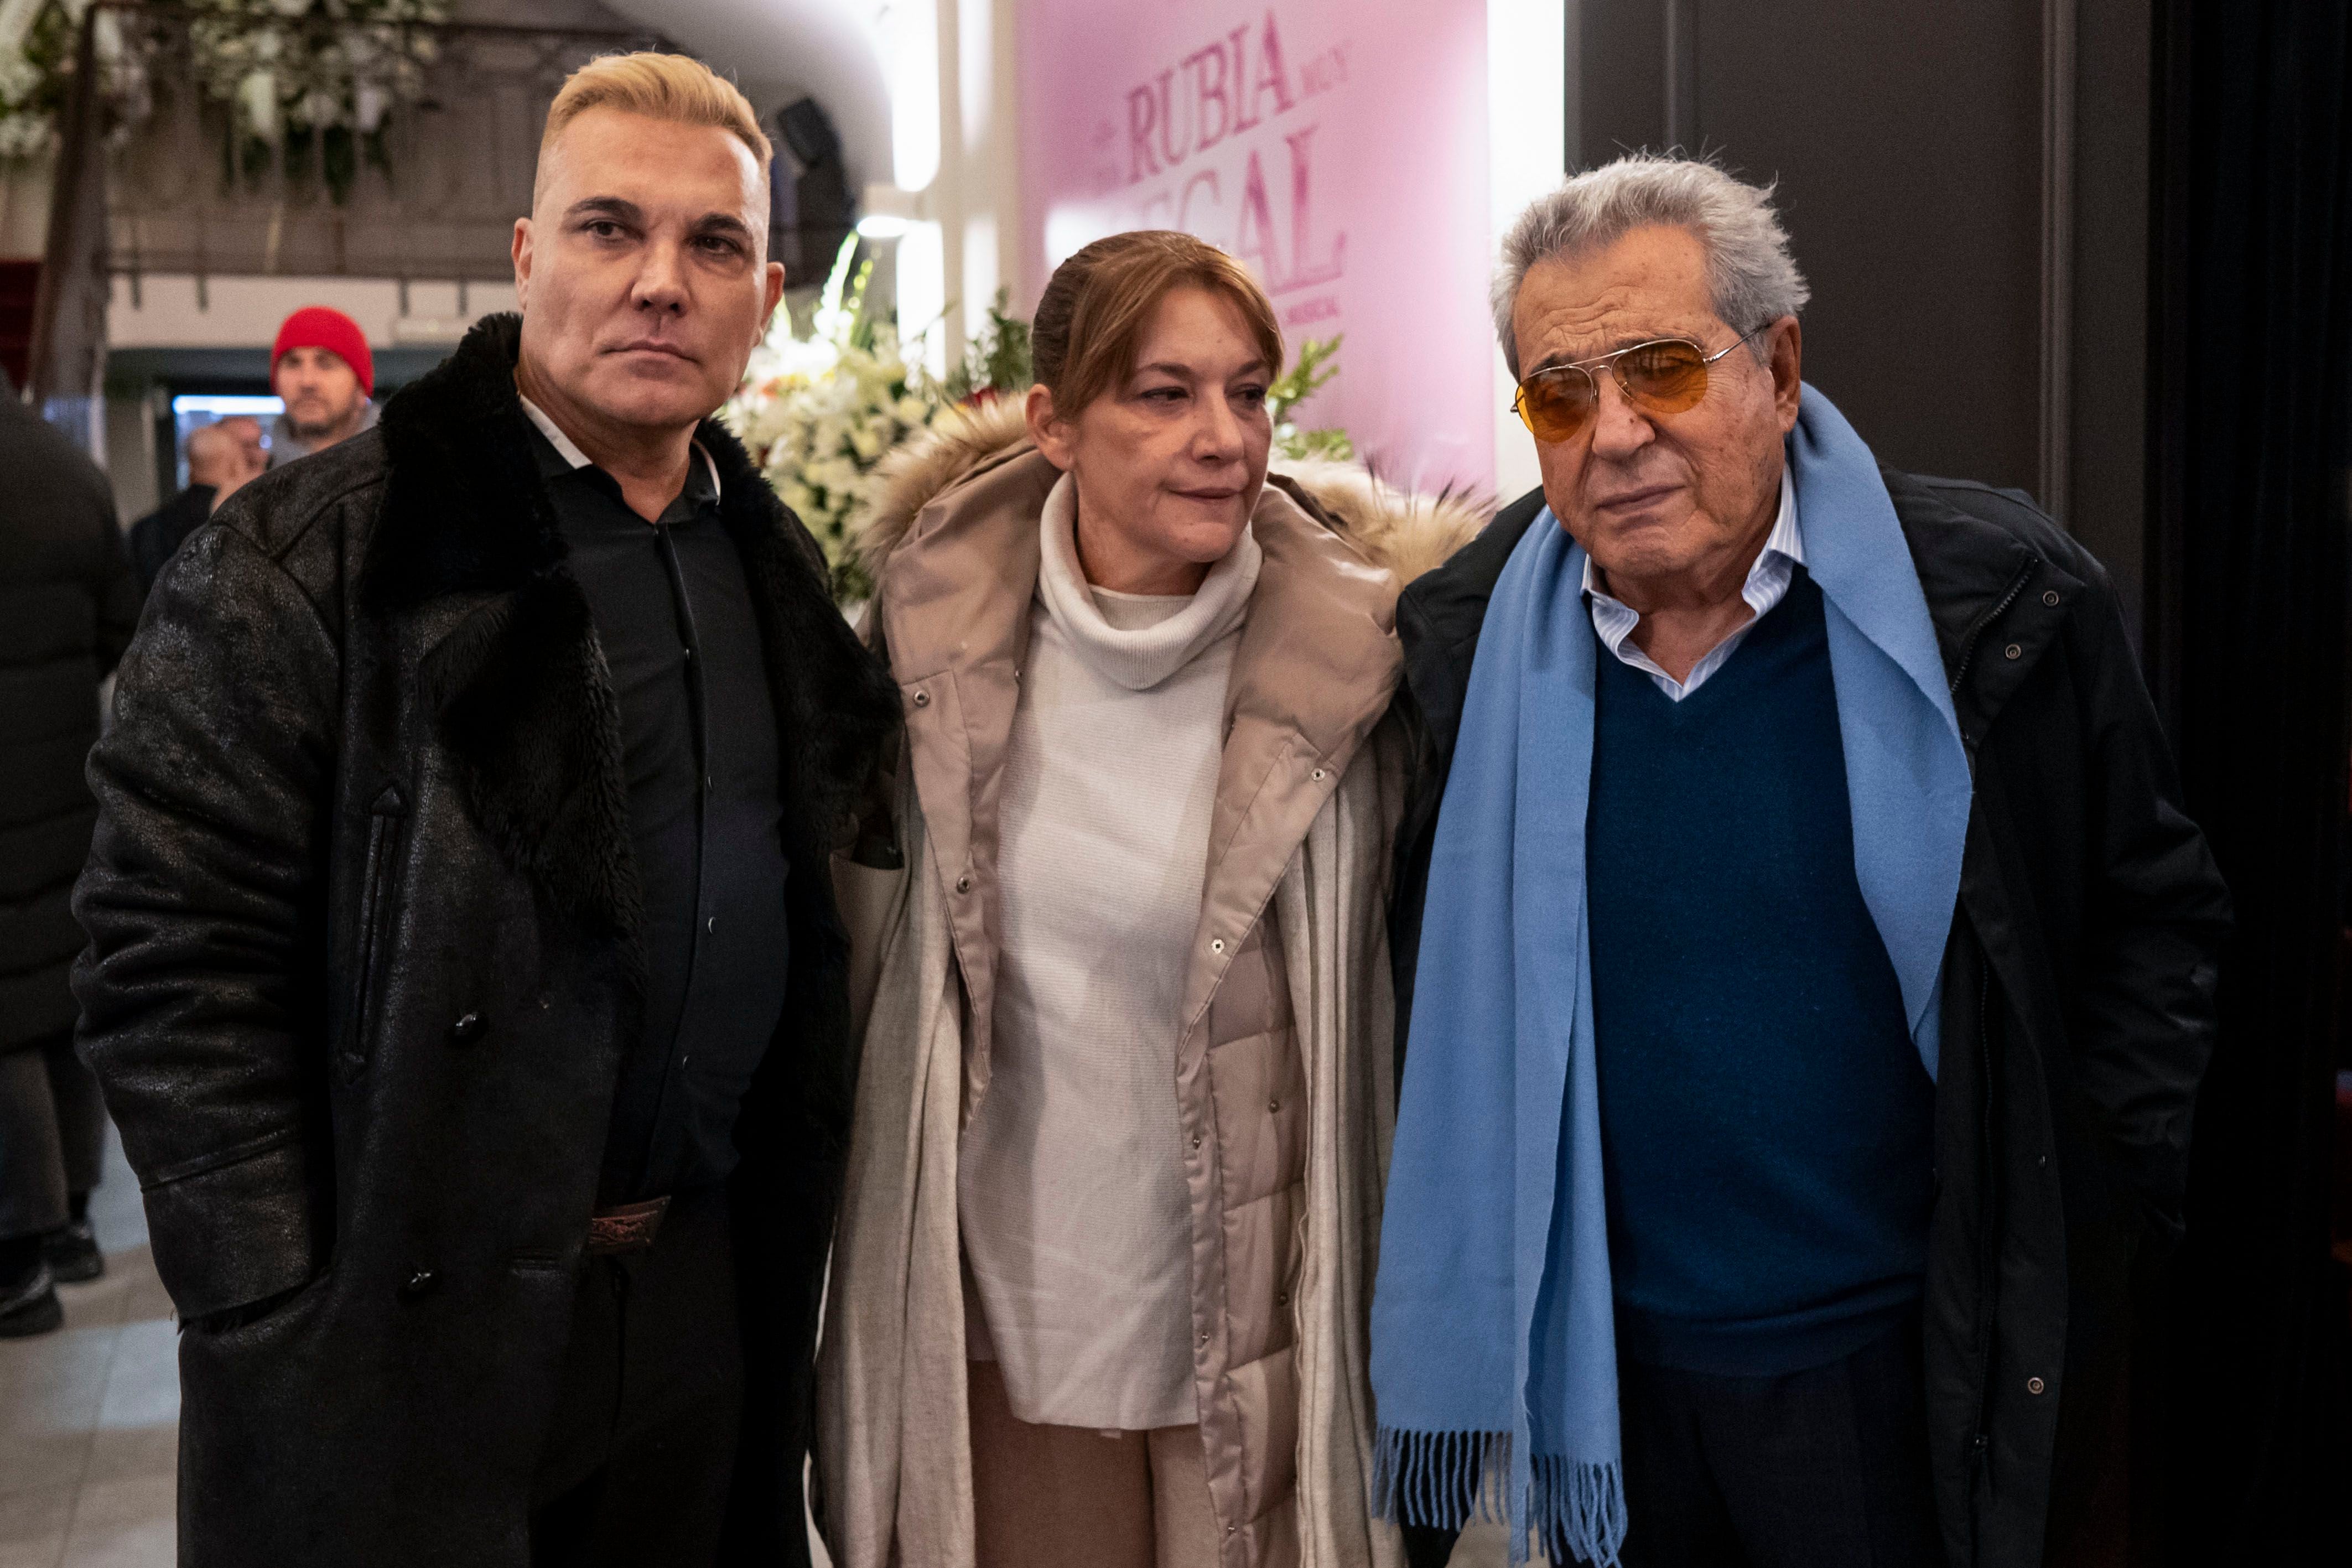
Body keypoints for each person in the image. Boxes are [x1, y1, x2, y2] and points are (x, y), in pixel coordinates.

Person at [72, 51, 897, 1567]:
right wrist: (273, 1290)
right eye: (607, 228)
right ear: (523, 259)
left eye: (713, 244)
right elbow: (163, 954)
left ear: (765, 294)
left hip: (704, 1307)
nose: (662, 281)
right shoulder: (307, 559)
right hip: (403, 1331)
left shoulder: (768, 566)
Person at [1371, 155, 2232, 1568]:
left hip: (1901, 1361)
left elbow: (2156, 918)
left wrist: (2100, 1197)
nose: (1617, 432)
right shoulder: (1461, 643)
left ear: (1777, 364)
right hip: (1600, 1372)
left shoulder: (2000, 599)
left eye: (1659, 366)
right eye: (1561, 393)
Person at [816, 230, 1480, 1568]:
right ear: (1055, 423)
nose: (1222, 436)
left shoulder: (1367, 672)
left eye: (1247, 391)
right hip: (1004, 1331)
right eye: (1163, 393)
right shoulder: (922, 659)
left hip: (1261, 1345)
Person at [0, 371, 137, 1337]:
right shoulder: (71, 469)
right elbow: (118, 622)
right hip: (59, 771)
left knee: (3, 1016)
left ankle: (18, 1251)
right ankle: (79, 1219)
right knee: (60, 991)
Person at [127, 415, 267, 594]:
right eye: (246, 447)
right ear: (231, 458)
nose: (260, 456)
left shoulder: (146, 527)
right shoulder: (236, 523)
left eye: (259, 444)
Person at [268, 304, 378, 464]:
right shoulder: (252, 480)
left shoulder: (412, 470)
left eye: (326, 364)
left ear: (360, 387)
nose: (307, 381)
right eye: (293, 363)